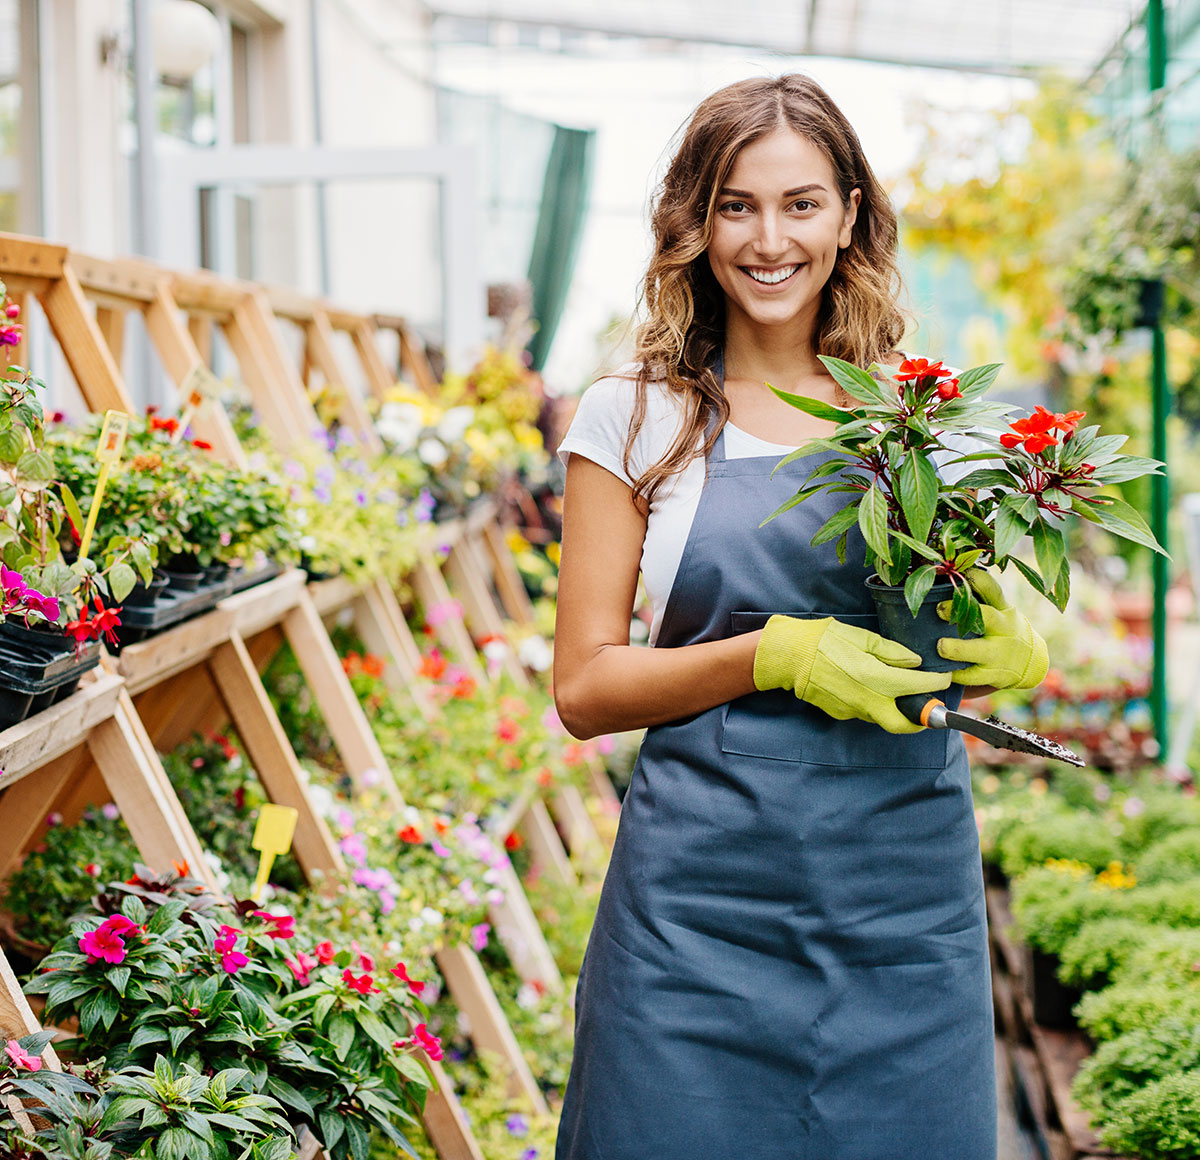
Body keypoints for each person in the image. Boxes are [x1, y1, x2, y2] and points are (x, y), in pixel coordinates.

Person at [551, 75, 1047, 1160]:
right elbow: (585, 689)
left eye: (802, 204)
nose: (769, 239)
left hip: (903, 921)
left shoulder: (928, 424)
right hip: (695, 927)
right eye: (737, 205)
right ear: (695, 220)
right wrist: (773, 652)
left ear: (852, 216)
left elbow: (957, 637)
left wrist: (1017, 648)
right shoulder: (637, 417)